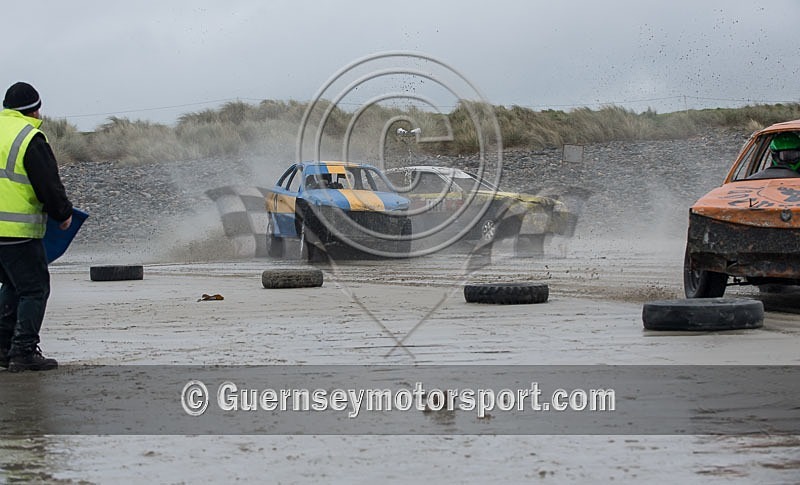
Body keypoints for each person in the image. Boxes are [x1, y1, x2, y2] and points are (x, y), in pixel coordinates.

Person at [0, 82, 73, 372]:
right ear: (34, 110)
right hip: (16, 231)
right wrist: (63, 213)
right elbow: (47, 183)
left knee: (13, 285)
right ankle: (23, 351)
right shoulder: (29, 136)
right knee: (34, 289)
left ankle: (3, 347)